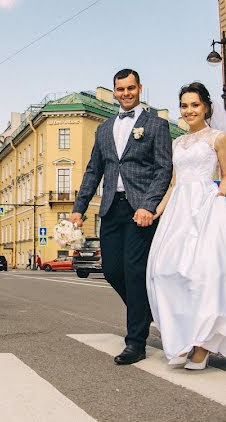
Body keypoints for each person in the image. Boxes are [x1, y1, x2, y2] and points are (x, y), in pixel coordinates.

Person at [148, 82, 226, 370]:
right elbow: (174, 184)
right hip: (179, 209)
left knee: (206, 274)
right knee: (166, 272)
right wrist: (156, 211)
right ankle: (184, 338)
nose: (189, 110)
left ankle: (203, 345)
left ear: (205, 107)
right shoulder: (177, 143)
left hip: (208, 207)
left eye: (194, 105)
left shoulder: (218, 138)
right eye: (184, 105)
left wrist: (215, 197)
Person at [72, 68, 173, 366]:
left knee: (133, 270)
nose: (126, 93)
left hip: (139, 209)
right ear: (114, 91)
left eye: (131, 88)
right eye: (120, 89)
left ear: (140, 88)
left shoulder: (156, 125)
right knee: (113, 270)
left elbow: (163, 169)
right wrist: (79, 208)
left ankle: (135, 342)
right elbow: (94, 171)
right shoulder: (103, 129)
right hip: (110, 209)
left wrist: (150, 206)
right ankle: (145, 310)